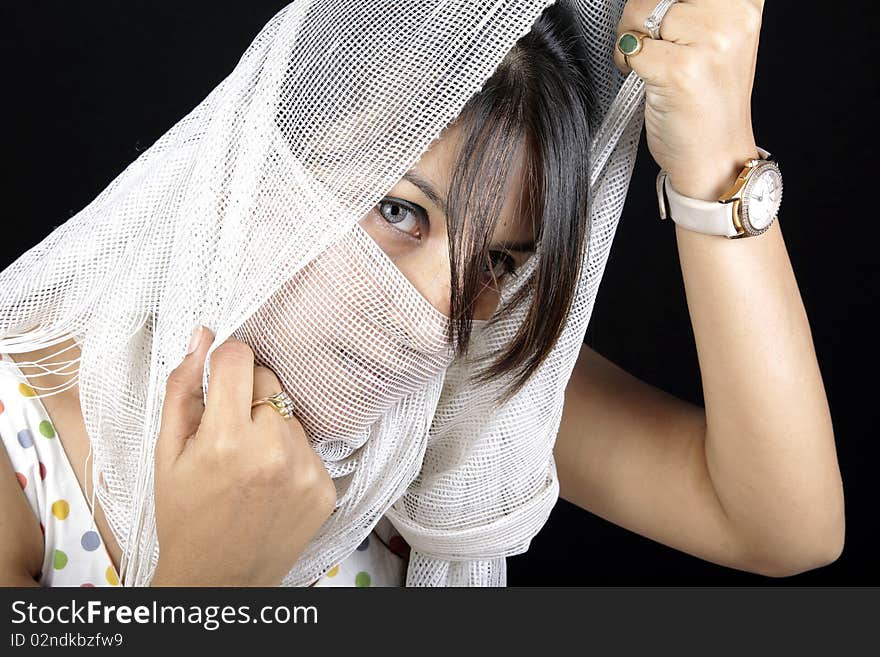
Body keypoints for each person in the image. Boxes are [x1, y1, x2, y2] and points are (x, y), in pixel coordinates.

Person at [0, 0, 843, 587]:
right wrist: (207, 585)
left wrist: (714, 168)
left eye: (498, 263)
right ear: (265, 162)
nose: (442, 309)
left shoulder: (456, 409)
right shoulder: (20, 449)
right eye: (400, 210)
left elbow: (782, 526)